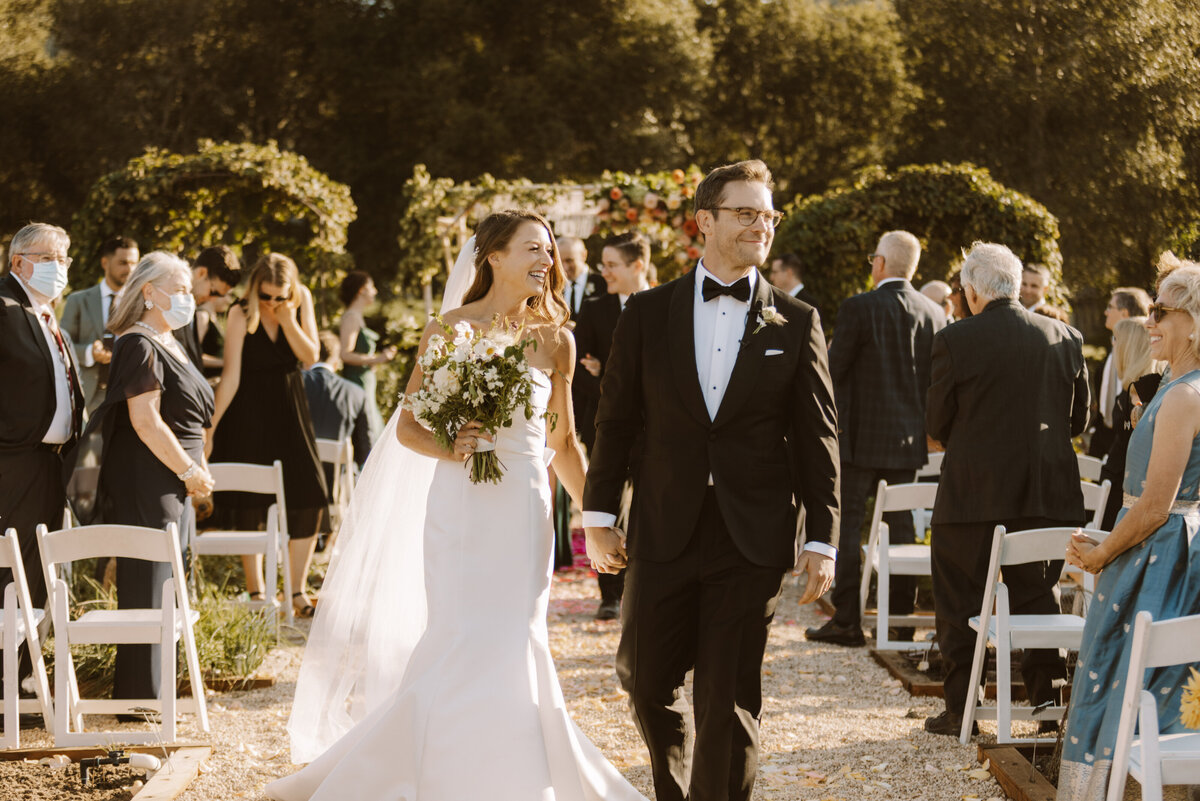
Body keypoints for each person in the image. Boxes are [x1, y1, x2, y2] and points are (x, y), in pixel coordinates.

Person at [268, 210, 647, 800]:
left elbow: (563, 442)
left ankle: (517, 775)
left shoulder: (556, 341)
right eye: (533, 249)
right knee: (455, 632)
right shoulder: (448, 329)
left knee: (516, 632)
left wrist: (595, 520)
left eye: (549, 251)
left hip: (522, 510)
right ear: (493, 256)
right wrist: (453, 444)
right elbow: (409, 429)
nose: (547, 261)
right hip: (459, 506)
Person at [583, 160, 840, 801]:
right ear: (706, 220)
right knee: (645, 681)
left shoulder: (799, 320)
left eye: (769, 215)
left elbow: (818, 438)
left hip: (749, 535)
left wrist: (823, 539)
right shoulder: (645, 313)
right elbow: (615, 422)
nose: (762, 226)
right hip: (663, 526)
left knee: (726, 698)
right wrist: (598, 516)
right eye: (747, 212)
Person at [924, 241, 1089, 736]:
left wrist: (976, 444)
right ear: (1016, 285)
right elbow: (1077, 420)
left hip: (972, 493)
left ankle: (961, 711)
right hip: (1046, 493)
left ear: (972, 291)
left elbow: (937, 422)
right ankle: (1046, 705)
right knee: (1040, 597)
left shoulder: (955, 339)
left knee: (959, 603)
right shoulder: (1066, 336)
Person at [1059, 264, 1200, 800]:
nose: (1150, 321)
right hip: (1160, 548)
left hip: (1158, 558)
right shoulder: (1177, 387)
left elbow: (1155, 508)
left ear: (1193, 320)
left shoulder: (1186, 395)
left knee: (1137, 677)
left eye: (1161, 311)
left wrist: (1101, 555)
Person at [71, 252, 215, 706]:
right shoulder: (137, 343)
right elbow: (146, 420)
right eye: (180, 289)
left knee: (171, 582)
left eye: (190, 290)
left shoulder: (170, 339)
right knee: (149, 584)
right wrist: (190, 471)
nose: (189, 298)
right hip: (151, 481)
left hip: (174, 481)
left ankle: (159, 695)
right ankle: (139, 700)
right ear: (149, 292)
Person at [807, 230, 946, 647]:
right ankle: (902, 620)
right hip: (906, 440)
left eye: (873, 259)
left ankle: (848, 620)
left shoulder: (858, 308)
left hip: (857, 439)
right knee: (901, 527)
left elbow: (831, 371)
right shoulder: (934, 313)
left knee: (847, 527)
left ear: (881, 263)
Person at [209, 253, 328, 618]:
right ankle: (257, 592)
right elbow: (230, 376)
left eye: (280, 296)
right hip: (249, 412)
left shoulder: (300, 299)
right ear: (256, 286)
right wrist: (209, 429)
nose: (272, 302)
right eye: (267, 296)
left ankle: (296, 591)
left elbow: (311, 357)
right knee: (250, 501)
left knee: (311, 494)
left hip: (291, 408)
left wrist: (289, 320)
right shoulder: (239, 311)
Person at [0, 222, 84, 696]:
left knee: (35, 572)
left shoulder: (46, 313)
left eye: (65, 258)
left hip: (52, 463)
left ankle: (22, 674)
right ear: (19, 262)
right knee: (6, 570)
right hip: (13, 462)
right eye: (50, 258)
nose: (61, 267)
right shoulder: (3, 307)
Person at [574, 231, 652, 620]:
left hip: (656, 427)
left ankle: (647, 583)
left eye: (611, 265)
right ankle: (610, 592)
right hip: (605, 424)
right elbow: (578, 369)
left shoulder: (666, 305)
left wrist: (604, 370)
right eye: (601, 264)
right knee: (607, 506)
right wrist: (610, 385)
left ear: (638, 265)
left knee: (651, 505)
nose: (602, 272)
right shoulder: (594, 309)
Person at [61, 236, 139, 414]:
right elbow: (63, 346)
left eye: (135, 263)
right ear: (105, 263)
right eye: (123, 263)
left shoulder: (142, 304)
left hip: (128, 395)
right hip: (87, 396)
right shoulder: (77, 300)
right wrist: (90, 352)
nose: (130, 269)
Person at [1099, 317, 1164, 529]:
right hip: (1119, 484)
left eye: (1116, 339)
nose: (1113, 345)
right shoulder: (1141, 387)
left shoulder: (1142, 391)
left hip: (1125, 492)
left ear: (1128, 346)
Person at [1091, 287, 1152, 458]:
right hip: (1102, 439)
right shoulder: (1112, 350)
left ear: (1124, 313)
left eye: (1110, 307)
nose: (1105, 312)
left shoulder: (1143, 358)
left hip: (1126, 444)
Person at [337, 271, 396, 443]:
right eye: (372, 286)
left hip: (366, 381)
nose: (375, 291)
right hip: (358, 383)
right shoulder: (351, 318)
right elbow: (345, 354)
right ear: (361, 290)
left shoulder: (357, 317)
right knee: (367, 430)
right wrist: (377, 359)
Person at [303, 331, 372, 475]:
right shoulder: (356, 393)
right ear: (336, 361)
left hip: (298, 477)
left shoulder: (295, 384)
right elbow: (364, 451)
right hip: (338, 482)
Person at [174, 245, 242, 372]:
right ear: (202, 273)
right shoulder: (170, 300)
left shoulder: (191, 306)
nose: (212, 299)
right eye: (213, 292)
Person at [560, 235, 605, 319]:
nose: (564, 267)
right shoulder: (552, 285)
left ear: (584, 255)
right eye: (559, 261)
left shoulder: (603, 283)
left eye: (569, 260)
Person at [768, 252, 821, 317]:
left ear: (789, 273)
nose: (771, 277)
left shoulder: (809, 305)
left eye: (774, 272)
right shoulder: (775, 301)